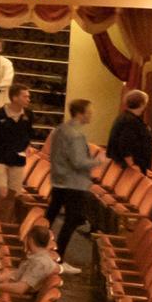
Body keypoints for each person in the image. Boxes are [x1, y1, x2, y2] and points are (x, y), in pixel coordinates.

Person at [48, 98, 100, 258]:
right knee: (72, 220)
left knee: (50, 216)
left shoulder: (61, 129)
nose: (91, 115)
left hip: (59, 180)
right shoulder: (76, 135)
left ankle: (37, 247)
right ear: (80, 113)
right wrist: (99, 161)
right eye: (89, 112)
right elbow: (78, 162)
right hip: (73, 183)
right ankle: (59, 256)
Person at [0, 83, 38, 208]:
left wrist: (27, 145)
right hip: (0, 159)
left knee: (13, 195)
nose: (28, 99)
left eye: (28, 97)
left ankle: (5, 222)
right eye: (25, 97)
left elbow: (29, 133)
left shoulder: (28, 114)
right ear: (14, 98)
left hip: (18, 160)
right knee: (2, 193)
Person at [105, 89, 152, 170]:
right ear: (141, 104)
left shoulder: (126, 117)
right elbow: (125, 145)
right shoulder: (130, 121)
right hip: (131, 166)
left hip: (131, 164)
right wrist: (132, 165)